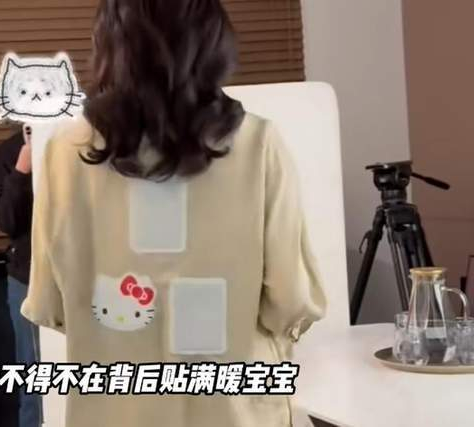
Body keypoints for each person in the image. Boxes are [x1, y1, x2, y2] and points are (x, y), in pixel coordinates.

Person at [22, 0, 327, 426]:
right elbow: (290, 301)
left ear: (109, 46)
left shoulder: (66, 150)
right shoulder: (257, 143)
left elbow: (50, 304)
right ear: (213, 43)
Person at [0, 125, 41, 427]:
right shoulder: (5, 153)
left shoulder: (82, 141)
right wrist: (22, 168)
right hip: (28, 278)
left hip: (85, 274)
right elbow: (7, 221)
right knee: (35, 379)